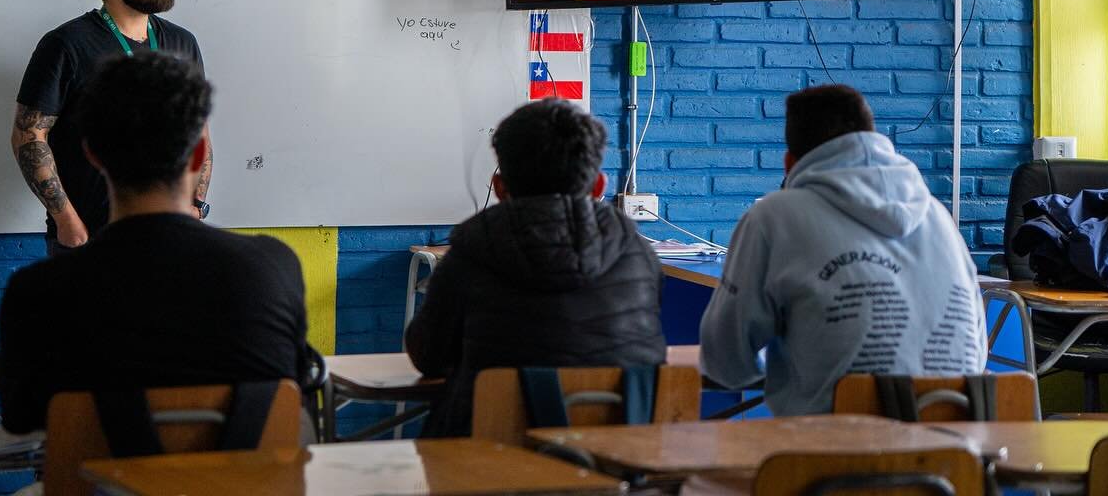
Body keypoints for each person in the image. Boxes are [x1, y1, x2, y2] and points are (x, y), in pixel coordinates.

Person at [0, 52, 309, 433]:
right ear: (198, 154)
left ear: (92, 154)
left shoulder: (37, 292)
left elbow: (22, 421)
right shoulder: (274, 268)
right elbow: (294, 404)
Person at [700, 84, 987, 416]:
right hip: (956, 456)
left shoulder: (774, 217)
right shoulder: (939, 217)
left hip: (832, 455)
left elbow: (725, 361)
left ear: (789, 163)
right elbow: (976, 354)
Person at [404, 98, 665, 437]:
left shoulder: (471, 249)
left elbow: (430, 358)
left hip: (489, 463)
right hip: (626, 464)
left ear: (499, 187)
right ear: (598, 186)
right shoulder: (637, 251)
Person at [11, 0, 210, 253]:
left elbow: (199, 132)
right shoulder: (66, 45)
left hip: (169, 235)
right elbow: (28, 136)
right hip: (91, 238)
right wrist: (67, 221)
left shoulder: (182, 43)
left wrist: (196, 204)